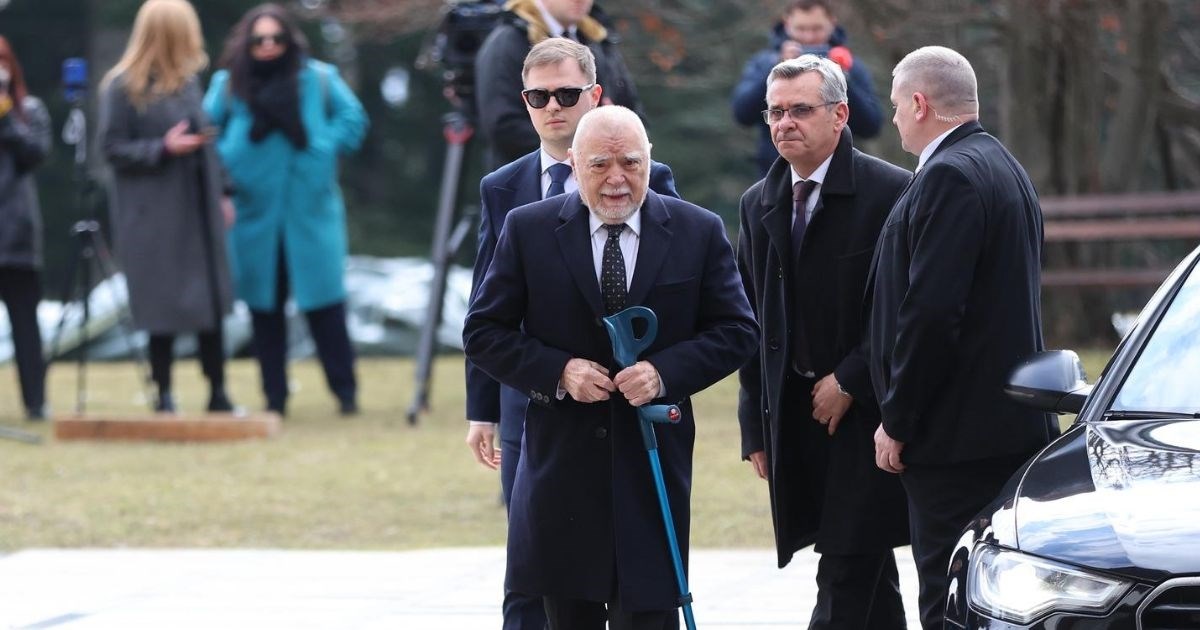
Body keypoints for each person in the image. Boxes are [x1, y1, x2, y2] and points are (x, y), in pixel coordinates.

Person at [464, 106, 758, 629]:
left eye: (631, 162)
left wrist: (664, 372)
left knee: (648, 616)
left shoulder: (698, 230)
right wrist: (559, 371)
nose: (617, 178)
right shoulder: (528, 229)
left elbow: (737, 331)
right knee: (567, 614)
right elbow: (484, 332)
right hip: (562, 468)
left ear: (650, 162)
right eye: (601, 164)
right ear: (573, 166)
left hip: (652, 465)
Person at [463, 37, 680, 630]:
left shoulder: (649, 176)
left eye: (566, 93)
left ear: (595, 95)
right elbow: (487, 308)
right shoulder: (502, 188)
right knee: (533, 562)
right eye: (538, 96)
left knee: (627, 563)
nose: (553, 106)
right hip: (531, 399)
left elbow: (676, 289)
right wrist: (481, 407)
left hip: (626, 402)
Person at [867, 46, 1060, 630]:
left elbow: (932, 313)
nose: (895, 116)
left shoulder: (950, 175)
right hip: (1003, 426)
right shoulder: (1002, 163)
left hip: (956, 439)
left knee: (948, 598)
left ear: (921, 103)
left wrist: (899, 418)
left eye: (898, 104)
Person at [735, 55, 910, 630]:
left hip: (867, 415)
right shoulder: (758, 202)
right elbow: (750, 324)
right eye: (775, 112)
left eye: (800, 110)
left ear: (840, 115)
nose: (785, 123)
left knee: (843, 567)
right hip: (794, 414)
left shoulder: (892, 192)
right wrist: (756, 428)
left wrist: (852, 380)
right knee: (863, 562)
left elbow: (904, 310)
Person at [203, 3, 368, 417]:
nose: (270, 46)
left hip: (310, 208)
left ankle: (345, 393)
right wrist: (229, 161)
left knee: (325, 303)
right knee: (264, 308)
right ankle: (274, 398)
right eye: (260, 39)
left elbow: (353, 118)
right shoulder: (228, 83)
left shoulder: (319, 78)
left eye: (277, 38)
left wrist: (325, 145)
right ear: (247, 42)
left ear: (290, 39)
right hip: (253, 212)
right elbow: (205, 131)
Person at [99, 0, 236, 414]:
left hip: (197, 207)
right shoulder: (123, 87)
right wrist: (162, 148)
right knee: (162, 304)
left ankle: (218, 392)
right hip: (152, 213)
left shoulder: (189, 82)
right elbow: (111, 148)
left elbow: (208, 143)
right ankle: (164, 394)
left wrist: (223, 192)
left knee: (210, 300)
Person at [474, 0, 644, 170]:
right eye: (540, 96)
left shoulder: (597, 38)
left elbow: (633, 112)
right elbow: (503, 127)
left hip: (602, 178)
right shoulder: (508, 41)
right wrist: (589, 147)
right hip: (530, 184)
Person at [731, 0, 882, 176]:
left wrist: (842, 79)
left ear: (832, 24)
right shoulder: (765, 62)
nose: (809, 37)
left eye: (817, 29)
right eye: (801, 29)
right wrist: (776, 68)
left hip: (838, 173)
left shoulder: (849, 66)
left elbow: (871, 125)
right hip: (775, 173)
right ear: (787, 24)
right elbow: (742, 114)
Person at [0, 35, 51, 421]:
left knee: (25, 327)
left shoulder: (29, 111)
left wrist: (4, 115)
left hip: (16, 237)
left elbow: (34, 155)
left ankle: (36, 403)